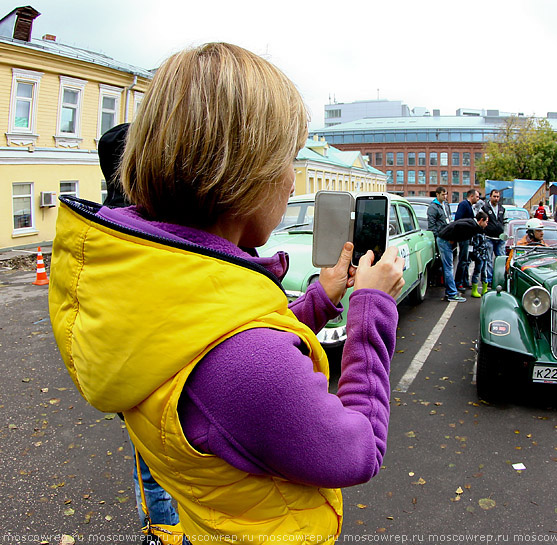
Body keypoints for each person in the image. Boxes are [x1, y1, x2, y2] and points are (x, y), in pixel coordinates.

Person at [49, 43, 406, 543]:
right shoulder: (246, 363)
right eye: (286, 159)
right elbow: (358, 450)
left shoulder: (145, 281)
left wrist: (321, 298)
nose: (289, 178)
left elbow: (225, 331)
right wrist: (372, 308)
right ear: (244, 173)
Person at [98, 122, 180, 529]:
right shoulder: (144, 229)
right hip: (156, 373)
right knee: (158, 470)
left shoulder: (104, 225)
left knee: (150, 463)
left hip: (129, 371)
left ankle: (159, 530)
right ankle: (162, 533)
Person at [428, 187, 464, 302]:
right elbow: (432, 226)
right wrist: (438, 237)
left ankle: (451, 291)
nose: (445, 196)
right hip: (442, 238)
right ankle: (452, 293)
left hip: (449, 237)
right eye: (443, 195)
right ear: (437, 195)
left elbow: (449, 220)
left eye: (446, 194)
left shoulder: (446, 205)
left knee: (449, 265)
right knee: (448, 266)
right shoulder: (433, 207)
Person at [454, 189, 480, 290]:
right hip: (463, 237)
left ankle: (464, 280)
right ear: (471, 196)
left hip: (468, 237)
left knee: (467, 259)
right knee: (463, 260)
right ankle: (458, 282)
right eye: (477, 197)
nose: (478, 199)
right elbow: (458, 220)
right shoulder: (464, 205)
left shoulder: (469, 206)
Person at [481, 189, 506, 291]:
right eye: (494, 196)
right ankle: (490, 280)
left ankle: (502, 279)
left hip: (500, 239)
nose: (496, 198)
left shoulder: (502, 209)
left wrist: (505, 235)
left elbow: (505, 222)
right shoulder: (484, 208)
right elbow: (481, 221)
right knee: (488, 261)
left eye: (498, 197)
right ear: (490, 197)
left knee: (502, 259)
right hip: (489, 238)